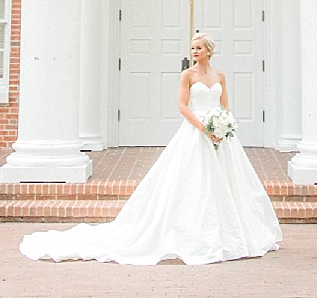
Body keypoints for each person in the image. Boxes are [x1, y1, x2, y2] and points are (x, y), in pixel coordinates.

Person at [19, 34, 282, 265]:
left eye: (199, 48)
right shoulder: (187, 75)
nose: (194, 52)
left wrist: (223, 127)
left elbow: (225, 105)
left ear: (209, 51)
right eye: (192, 48)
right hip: (196, 132)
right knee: (194, 182)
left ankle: (231, 233)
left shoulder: (220, 76)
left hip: (221, 138)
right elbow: (182, 106)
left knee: (228, 182)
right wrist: (204, 129)